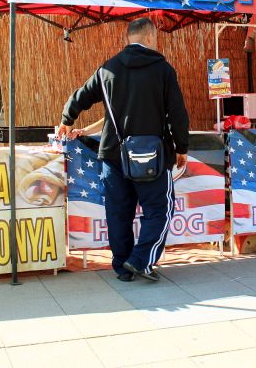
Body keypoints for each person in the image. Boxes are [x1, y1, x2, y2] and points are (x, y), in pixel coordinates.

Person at [57, 18, 189, 282]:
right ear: (150, 37)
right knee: (159, 210)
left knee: (119, 213)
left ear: (128, 38)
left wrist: (67, 119)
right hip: (152, 157)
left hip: (113, 155)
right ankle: (140, 260)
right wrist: (181, 147)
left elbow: (82, 95)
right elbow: (177, 114)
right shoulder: (163, 70)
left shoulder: (109, 68)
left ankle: (122, 267)